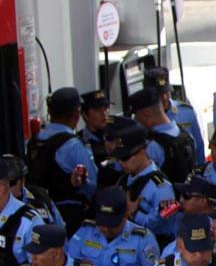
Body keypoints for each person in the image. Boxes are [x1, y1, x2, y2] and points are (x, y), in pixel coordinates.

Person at [25, 86, 96, 231]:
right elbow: (91, 187)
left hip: (40, 213)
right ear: (77, 114)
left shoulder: (36, 140)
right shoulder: (73, 145)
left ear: (50, 112)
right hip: (70, 218)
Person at [112, 124, 178, 246]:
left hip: (156, 245)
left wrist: (134, 213)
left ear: (142, 151)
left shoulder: (162, 187)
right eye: (118, 158)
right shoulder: (124, 179)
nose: (121, 163)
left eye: (125, 157)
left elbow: (163, 224)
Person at [128, 87, 196, 184]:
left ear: (146, 114)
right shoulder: (186, 134)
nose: (135, 119)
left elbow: (139, 182)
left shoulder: (152, 146)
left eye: (136, 115)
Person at [79, 89, 111, 167]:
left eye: (106, 108)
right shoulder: (80, 140)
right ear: (85, 115)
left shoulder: (115, 133)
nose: (104, 113)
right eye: (97, 110)